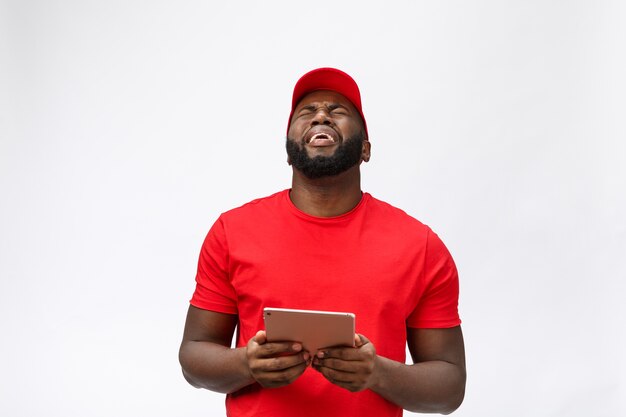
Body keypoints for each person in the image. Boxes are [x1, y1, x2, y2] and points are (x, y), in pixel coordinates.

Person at [179, 67, 466, 416]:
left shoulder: (420, 246)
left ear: (365, 149)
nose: (320, 116)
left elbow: (449, 387)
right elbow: (193, 355)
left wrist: (377, 373)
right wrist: (246, 364)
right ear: (289, 150)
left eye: (338, 111)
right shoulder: (232, 231)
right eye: (306, 112)